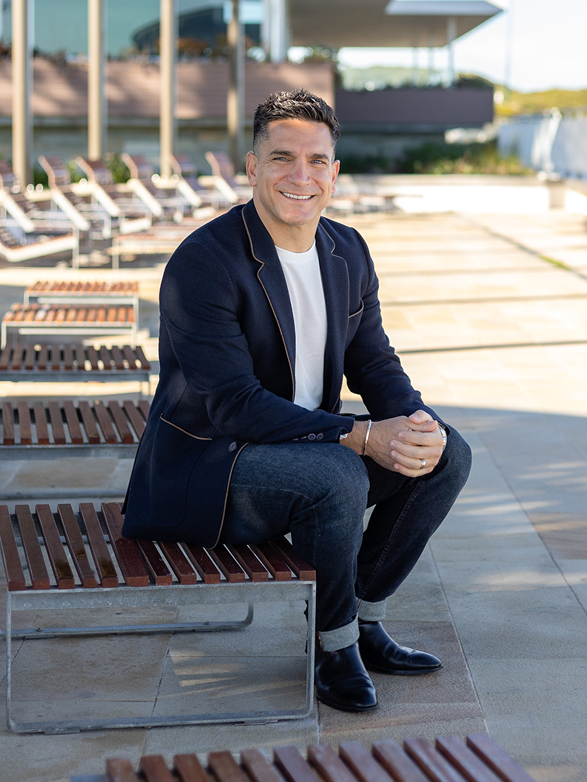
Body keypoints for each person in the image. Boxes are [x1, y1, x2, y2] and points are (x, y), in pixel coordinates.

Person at [122, 89, 472, 713]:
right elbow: (232, 404)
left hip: (305, 445)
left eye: (316, 161)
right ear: (252, 168)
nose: (300, 176)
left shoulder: (347, 249)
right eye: (282, 158)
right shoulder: (204, 262)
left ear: (335, 175)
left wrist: (420, 424)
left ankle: (363, 625)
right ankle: (332, 649)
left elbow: (374, 362)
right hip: (212, 468)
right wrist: (361, 436)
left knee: (448, 454)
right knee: (336, 470)